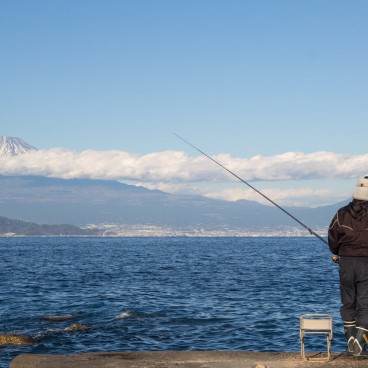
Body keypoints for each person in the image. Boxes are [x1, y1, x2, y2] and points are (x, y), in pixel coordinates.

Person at [328, 175, 368, 357]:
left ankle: (351, 344)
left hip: (345, 263)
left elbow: (333, 238)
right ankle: (359, 347)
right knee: (365, 304)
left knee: (348, 302)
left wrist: (338, 252)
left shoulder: (341, 213)